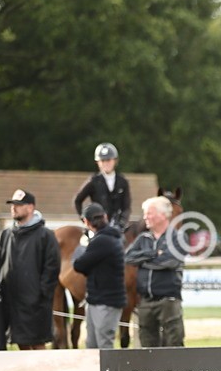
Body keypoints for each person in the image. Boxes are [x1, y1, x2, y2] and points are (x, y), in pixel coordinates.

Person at [0, 189, 60, 350]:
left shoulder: (45, 235)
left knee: (38, 344)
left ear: (30, 207)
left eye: (18, 205)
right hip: (12, 301)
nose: (13, 208)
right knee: (20, 344)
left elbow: (52, 267)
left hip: (36, 303)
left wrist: (42, 293)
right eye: (12, 205)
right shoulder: (7, 234)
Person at [125, 196, 186, 347]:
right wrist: (152, 254)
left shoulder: (178, 237)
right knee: (147, 347)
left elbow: (171, 262)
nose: (145, 217)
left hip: (168, 301)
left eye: (149, 213)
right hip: (145, 301)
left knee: (173, 344)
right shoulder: (143, 238)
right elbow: (128, 258)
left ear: (163, 215)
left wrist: (143, 262)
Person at [71, 203, 127, 349]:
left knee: (102, 345)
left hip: (105, 301)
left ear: (87, 222)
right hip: (100, 299)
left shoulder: (101, 241)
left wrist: (83, 246)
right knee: (93, 344)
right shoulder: (111, 238)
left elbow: (78, 265)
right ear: (105, 217)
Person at [74, 143, 132, 230]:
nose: (106, 163)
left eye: (108, 160)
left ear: (115, 161)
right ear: (98, 162)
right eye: (102, 161)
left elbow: (126, 206)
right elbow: (77, 200)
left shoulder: (123, 182)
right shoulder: (93, 181)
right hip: (97, 226)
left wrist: (122, 222)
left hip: (118, 225)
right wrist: (85, 219)